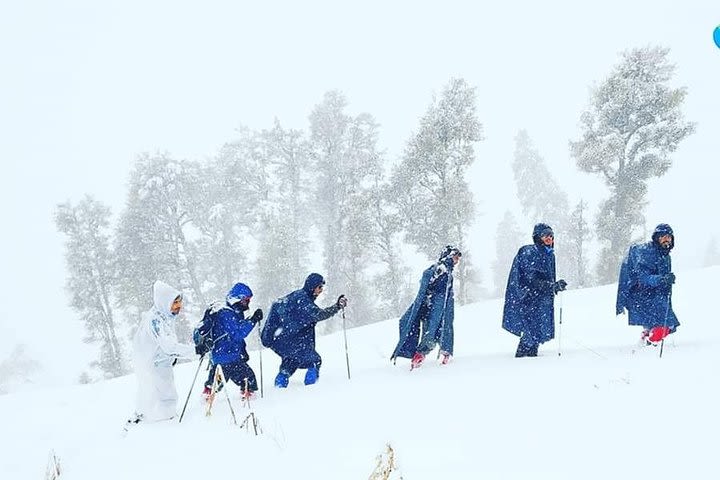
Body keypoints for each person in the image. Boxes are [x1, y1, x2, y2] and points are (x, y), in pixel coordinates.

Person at [261, 273, 347, 388]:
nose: (321, 290)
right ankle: (310, 391)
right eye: (319, 287)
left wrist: (269, 337)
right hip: (295, 341)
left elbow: (277, 307)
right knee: (314, 361)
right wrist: (337, 306)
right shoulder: (303, 299)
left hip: (280, 341)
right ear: (312, 286)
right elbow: (318, 315)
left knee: (290, 362)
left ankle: (279, 389)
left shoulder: (293, 297)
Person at [131, 280, 197, 422]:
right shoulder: (156, 320)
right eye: (175, 303)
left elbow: (166, 345)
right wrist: (196, 350)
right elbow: (169, 346)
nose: (179, 306)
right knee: (165, 398)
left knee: (153, 395)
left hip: (159, 362)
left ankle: (144, 417)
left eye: (179, 302)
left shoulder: (164, 315)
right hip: (154, 364)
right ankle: (164, 426)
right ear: (164, 302)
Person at [391, 245, 462, 369]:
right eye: (456, 257)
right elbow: (430, 285)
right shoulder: (442, 269)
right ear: (450, 256)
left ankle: (434, 353)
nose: (457, 260)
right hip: (435, 307)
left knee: (438, 330)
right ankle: (421, 355)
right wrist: (432, 301)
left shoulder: (446, 270)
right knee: (433, 331)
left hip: (438, 306)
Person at [502, 224, 567, 357]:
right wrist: (551, 286)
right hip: (528, 299)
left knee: (537, 333)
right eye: (545, 235)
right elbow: (530, 279)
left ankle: (531, 362)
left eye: (551, 235)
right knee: (530, 333)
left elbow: (544, 278)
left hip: (541, 300)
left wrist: (553, 286)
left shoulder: (549, 254)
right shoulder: (530, 252)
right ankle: (522, 362)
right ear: (538, 237)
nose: (549, 238)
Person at [616, 223, 679, 345]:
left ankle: (646, 337)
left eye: (669, 237)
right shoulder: (647, 253)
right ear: (656, 238)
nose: (666, 239)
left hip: (655, 296)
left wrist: (666, 280)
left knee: (661, 323)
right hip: (643, 295)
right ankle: (650, 342)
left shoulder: (665, 255)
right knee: (667, 324)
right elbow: (643, 278)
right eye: (662, 236)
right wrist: (662, 279)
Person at [200, 282, 263, 399]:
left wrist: (242, 352)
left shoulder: (233, 312)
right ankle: (207, 398)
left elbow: (234, 333)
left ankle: (209, 394)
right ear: (238, 299)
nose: (247, 304)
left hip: (231, 356)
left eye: (249, 301)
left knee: (247, 379)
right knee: (243, 379)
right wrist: (253, 320)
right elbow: (238, 333)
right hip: (225, 357)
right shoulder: (226, 313)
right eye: (246, 300)